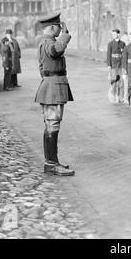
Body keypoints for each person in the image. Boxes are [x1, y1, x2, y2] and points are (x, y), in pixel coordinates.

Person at [34, 13, 74, 176]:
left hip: (51, 86)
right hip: (53, 88)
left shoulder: (44, 41)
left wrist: (62, 35)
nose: (61, 29)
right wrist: (65, 36)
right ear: (52, 27)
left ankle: (51, 162)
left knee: (51, 125)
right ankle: (51, 164)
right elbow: (55, 51)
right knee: (52, 125)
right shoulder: (48, 41)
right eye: (59, 26)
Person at [107, 29, 125, 104]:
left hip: (120, 64)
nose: (113, 35)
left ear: (118, 34)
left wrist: (124, 65)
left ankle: (120, 97)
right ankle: (114, 97)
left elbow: (124, 55)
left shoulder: (123, 43)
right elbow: (108, 55)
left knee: (121, 82)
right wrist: (109, 65)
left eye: (114, 34)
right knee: (114, 82)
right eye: (112, 34)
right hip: (114, 65)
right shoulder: (110, 44)